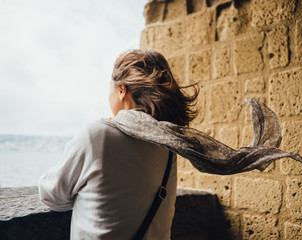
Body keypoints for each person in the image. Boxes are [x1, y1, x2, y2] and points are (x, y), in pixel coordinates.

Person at [38, 49, 199, 240]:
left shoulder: (98, 134)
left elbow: (51, 195)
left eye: (110, 89)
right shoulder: (167, 145)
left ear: (122, 90)